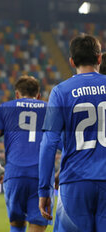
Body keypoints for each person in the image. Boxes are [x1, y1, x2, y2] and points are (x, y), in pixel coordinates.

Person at [39, 34, 106, 231]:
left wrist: (44, 190)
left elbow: (49, 143)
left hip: (75, 182)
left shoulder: (60, 92)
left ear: (71, 61)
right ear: (99, 58)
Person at [0, 75, 52, 232]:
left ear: (17, 94)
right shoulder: (49, 109)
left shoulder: (4, 108)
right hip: (40, 175)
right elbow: (64, 144)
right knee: (37, 225)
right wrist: (57, 173)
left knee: (16, 224)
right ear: (38, 95)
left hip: (14, 174)